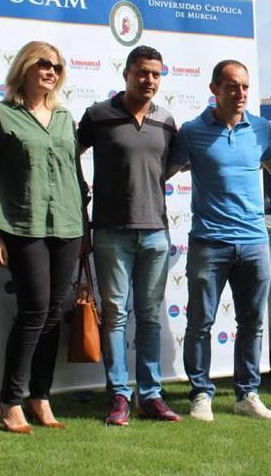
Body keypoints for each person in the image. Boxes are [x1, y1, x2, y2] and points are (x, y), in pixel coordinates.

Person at [167, 60, 271, 422]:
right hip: (209, 242)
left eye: (245, 87)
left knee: (252, 323)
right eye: (232, 87)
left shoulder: (261, 129)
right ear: (214, 89)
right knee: (200, 323)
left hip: (254, 242)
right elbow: (163, 170)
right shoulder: (192, 132)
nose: (240, 94)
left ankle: (247, 394)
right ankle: (200, 394)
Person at [0, 41, 86, 434]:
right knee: (34, 311)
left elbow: (76, 177)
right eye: (43, 63)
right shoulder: (1, 115)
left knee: (56, 312)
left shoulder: (64, 116)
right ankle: (10, 400)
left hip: (69, 226)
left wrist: (85, 230)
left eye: (57, 66)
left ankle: (41, 396)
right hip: (23, 227)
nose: (51, 71)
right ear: (24, 66)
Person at [77, 45, 181, 425]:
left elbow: (166, 168)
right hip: (110, 230)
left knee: (150, 316)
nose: (149, 80)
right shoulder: (97, 115)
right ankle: (119, 395)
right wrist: (81, 192)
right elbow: (69, 154)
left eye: (155, 74)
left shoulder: (167, 121)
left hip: (155, 232)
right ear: (126, 74)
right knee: (116, 314)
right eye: (142, 72)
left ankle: (150, 395)